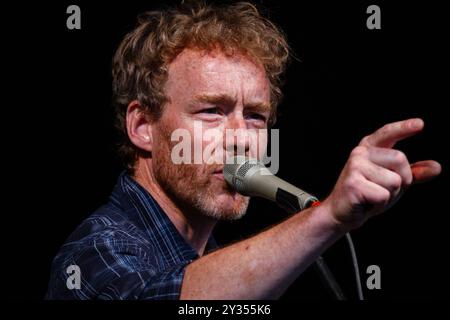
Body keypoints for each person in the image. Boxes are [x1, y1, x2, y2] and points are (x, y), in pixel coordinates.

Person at [46, 1, 441, 299]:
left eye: (254, 116)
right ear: (142, 127)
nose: (241, 138)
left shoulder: (211, 255)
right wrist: (330, 217)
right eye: (211, 111)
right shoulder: (94, 253)